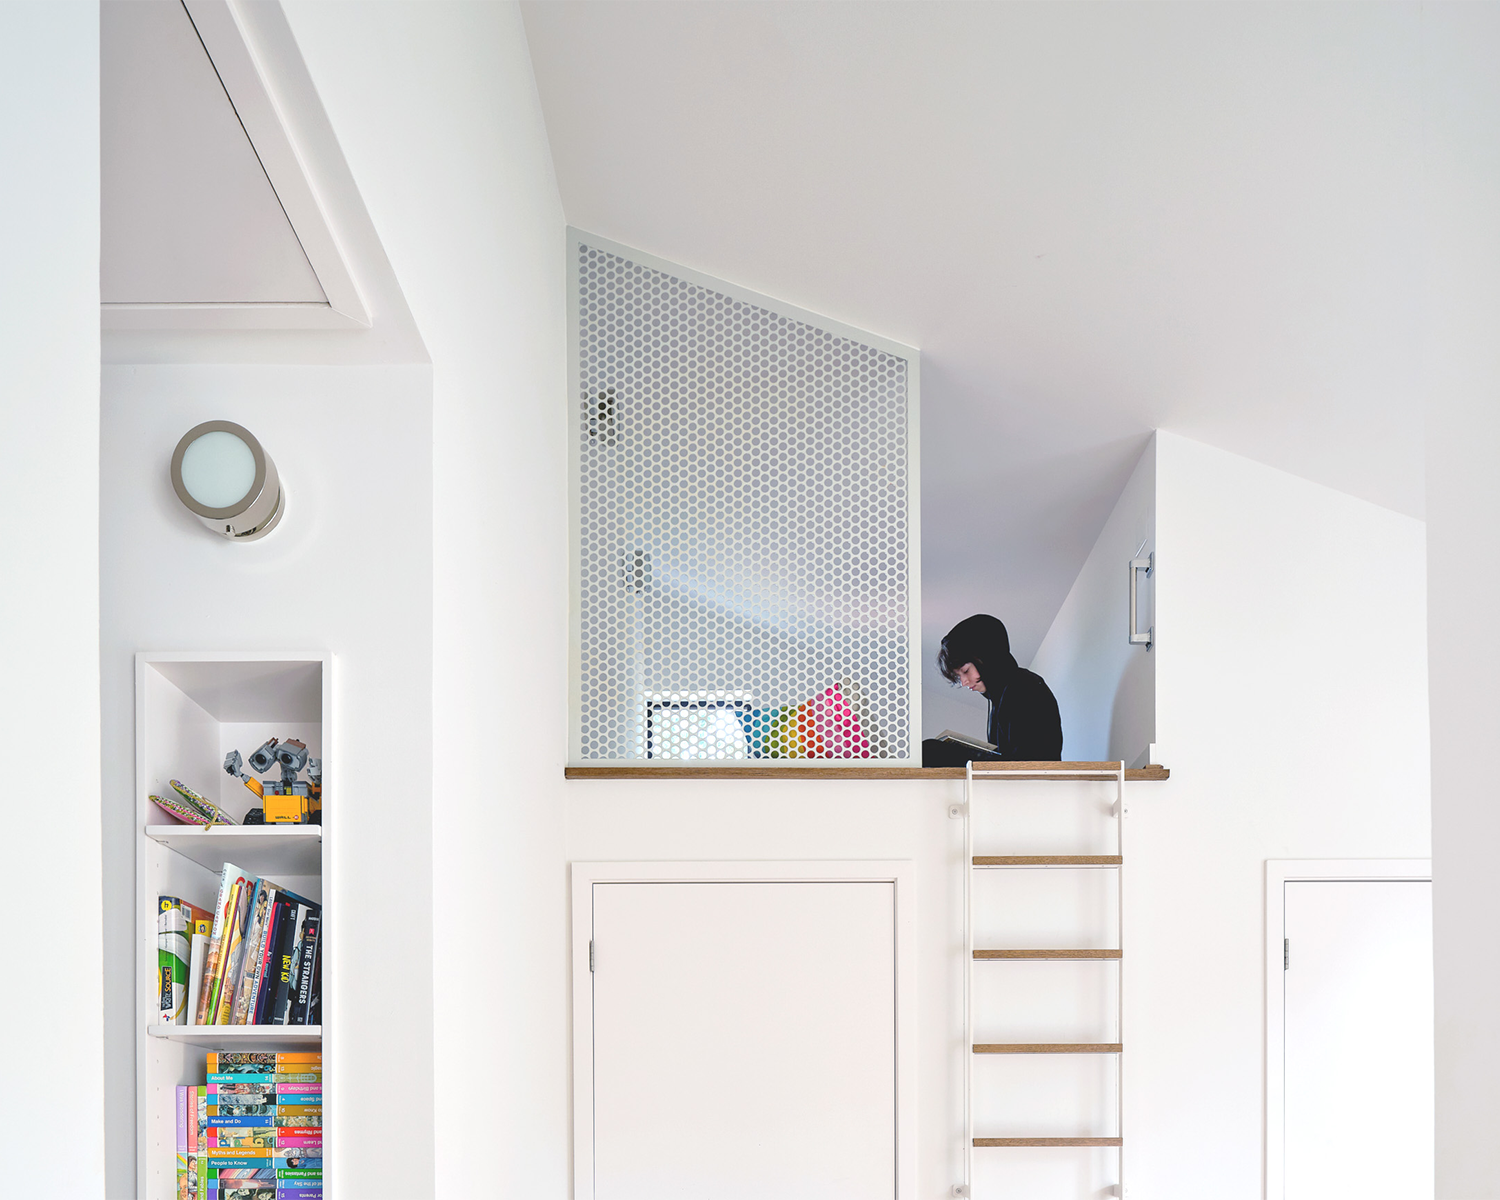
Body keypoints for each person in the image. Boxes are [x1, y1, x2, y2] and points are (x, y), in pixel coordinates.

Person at [922, 613, 1063, 765]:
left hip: (1037, 785)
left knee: (932, 750)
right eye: (959, 676)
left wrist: (950, 753)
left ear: (986, 658)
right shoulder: (1001, 700)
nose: (964, 682)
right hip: (1027, 785)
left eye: (965, 671)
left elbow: (1027, 763)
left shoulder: (1024, 686)